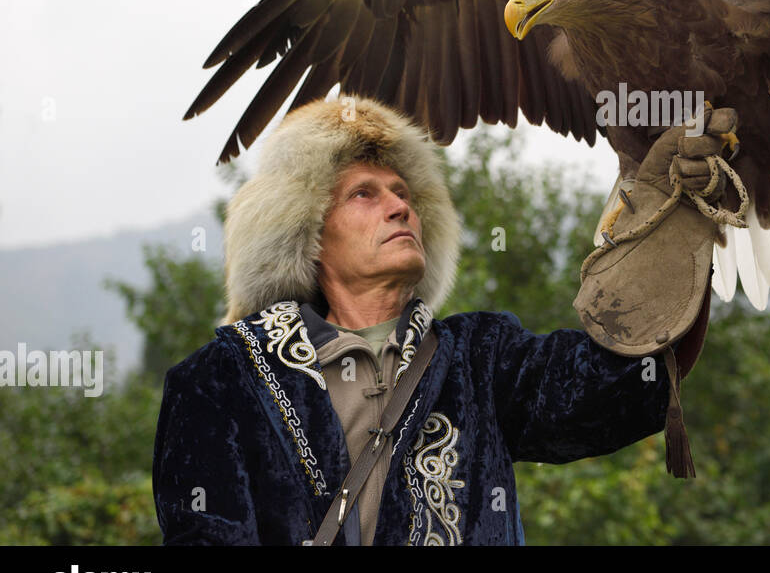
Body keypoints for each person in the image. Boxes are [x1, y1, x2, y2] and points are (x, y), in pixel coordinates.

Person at [152, 95, 728, 545]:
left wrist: (665, 213)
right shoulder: (222, 380)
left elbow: (622, 384)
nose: (400, 206)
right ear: (307, 233)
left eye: (403, 193)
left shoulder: (481, 358)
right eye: (364, 195)